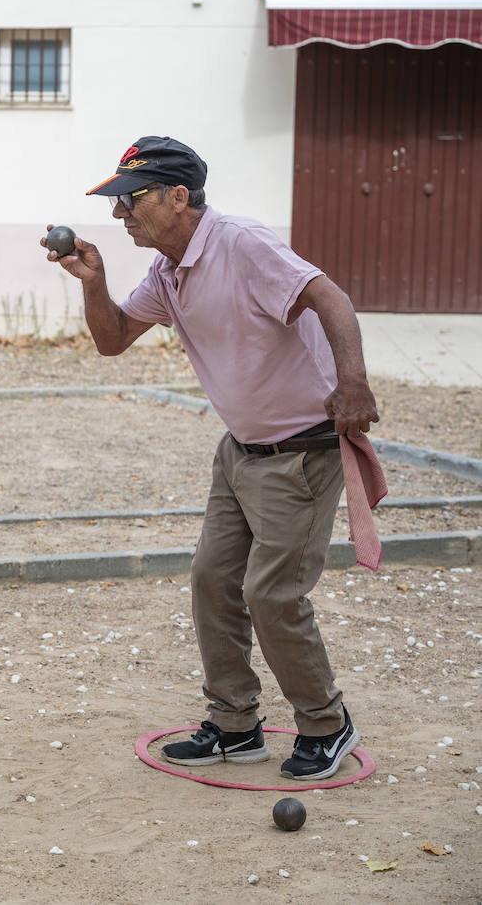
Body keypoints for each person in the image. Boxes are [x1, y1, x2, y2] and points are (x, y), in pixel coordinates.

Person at [45, 135, 382, 780]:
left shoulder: (241, 244)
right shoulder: (168, 270)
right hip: (239, 452)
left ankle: (327, 723)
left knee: (271, 593)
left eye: (130, 199)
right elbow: (113, 340)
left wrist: (353, 383)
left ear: (178, 196)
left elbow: (330, 298)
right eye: (116, 203)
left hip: (301, 451)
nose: (120, 215)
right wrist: (94, 282)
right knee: (212, 580)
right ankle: (234, 725)